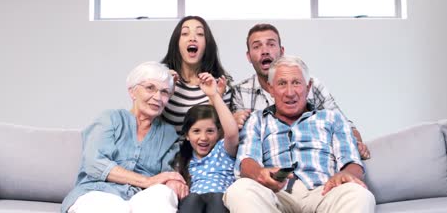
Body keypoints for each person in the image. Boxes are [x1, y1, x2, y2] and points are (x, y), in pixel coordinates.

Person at [223, 56, 375, 213]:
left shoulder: (332, 118)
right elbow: (247, 159)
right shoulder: (257, 120)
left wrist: (345, 174)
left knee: (360, 195)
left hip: (323, 192)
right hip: (276, 194)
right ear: (271, 88)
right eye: (282, 83)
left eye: (296, 83)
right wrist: (260, 173)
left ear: (308, 87)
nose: (290, 92)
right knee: (239, 190)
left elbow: (352, 161)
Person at [61, 61, 188, 213]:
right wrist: (146, 181)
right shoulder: (109, 119)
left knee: (163, 194)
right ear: (132, 92)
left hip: (141, 197)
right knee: (115, 208)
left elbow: (166, 175)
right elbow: (94, 164)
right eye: (150, 88)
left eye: (164, 92)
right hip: (98, 192)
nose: (158, 97)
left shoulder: (168, 134)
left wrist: (174, 181)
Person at [231, 23, 370, 159]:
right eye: (257, 46)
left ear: (282, 51)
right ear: (248, 56)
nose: (265, 51)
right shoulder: (239, 92)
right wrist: (232, 125)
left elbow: (346, 128)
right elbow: (237, 146)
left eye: (271, 44)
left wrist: (355, 145)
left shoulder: (311, 85)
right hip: (267, 164)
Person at [177, 72, 239, 213]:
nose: (203, 137)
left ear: (218, 132)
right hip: (194, 204)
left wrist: (215, 96)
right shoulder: (185, 159)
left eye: (210, 131)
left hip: (220, 203)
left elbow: (232, 132)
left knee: (217, 198)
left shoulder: (222, 150)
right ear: (187, 135)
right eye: (196, 131)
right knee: (192, 199)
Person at [161, 15, 232, 134]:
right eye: (185, 33)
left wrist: (215, 97)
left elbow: (219, 135)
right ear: (176, 42)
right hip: (166, 151)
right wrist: (162, 91)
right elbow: (147, 125)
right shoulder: (162, 79)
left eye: (199, 34)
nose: (192, 38)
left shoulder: (220, 85)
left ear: (207, 44)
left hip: (204, 152)